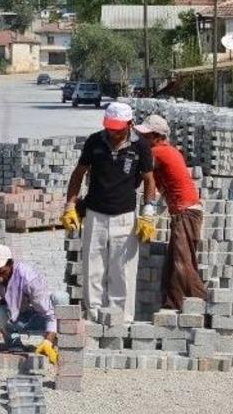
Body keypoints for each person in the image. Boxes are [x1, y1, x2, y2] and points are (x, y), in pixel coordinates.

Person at [61, 102, 156, 323]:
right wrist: (70, 206)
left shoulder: (140, 146)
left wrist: (148, 213)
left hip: (125, 215)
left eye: (118, 129)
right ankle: (94, 316)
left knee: (122, 271)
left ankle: (122, 319)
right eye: (109, 127)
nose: (112, 133)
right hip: (96, 215)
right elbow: (78, 174)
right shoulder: (95, 141)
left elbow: (150, 180)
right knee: (93, 269)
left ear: (129, 125)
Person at [135, 115, 207, 308]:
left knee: (183, 264)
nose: (141, 139)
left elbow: (140, 172)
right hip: (184, 213)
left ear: (157, 136)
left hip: (186, 213)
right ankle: (171, 306)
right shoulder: (168, 151)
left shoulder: (159, 152)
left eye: (146, 136)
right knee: (172, 265)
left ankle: (206, 305)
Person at [0, 245, 69, 369]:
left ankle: (56, 339)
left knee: (61, 298)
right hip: (18, 318)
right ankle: (14, 341)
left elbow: (48, 314)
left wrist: (47, 341)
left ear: (11, 264)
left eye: (2, 272)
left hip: (39, 317)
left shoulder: (29, 277)